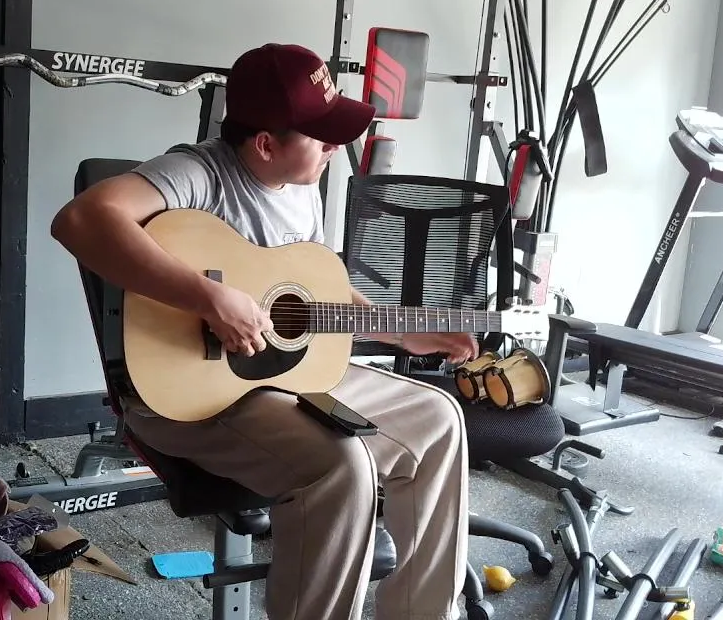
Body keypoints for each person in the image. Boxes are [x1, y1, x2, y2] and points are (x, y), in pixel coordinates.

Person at [51, 42, 476, 620]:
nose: (335, 146)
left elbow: (317, 291)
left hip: (287, 376)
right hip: (194, 395)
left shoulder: (303, 184)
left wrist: (399, 331)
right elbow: (80, 219)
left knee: (439, 420)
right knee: (342, 463)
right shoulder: (198, 173)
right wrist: (210, 299)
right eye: (319, 135)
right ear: (266, 144)